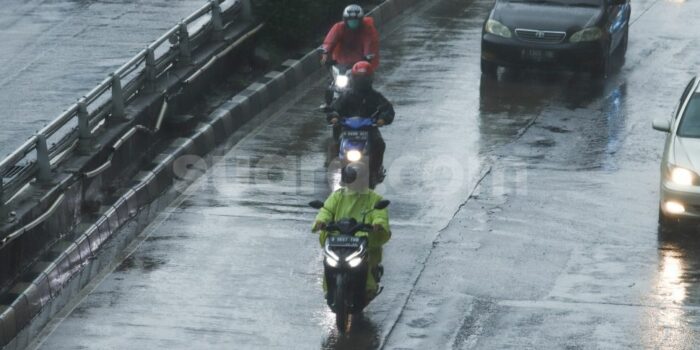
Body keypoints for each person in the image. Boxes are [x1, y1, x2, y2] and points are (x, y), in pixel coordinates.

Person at [311, 163, 391, 301]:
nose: (354, 184)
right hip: (339, 237)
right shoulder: (338, 196)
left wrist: (378, 224)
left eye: (357, 180)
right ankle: (329, 289)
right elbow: (326, 210)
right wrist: (321, 221)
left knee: (370, 260)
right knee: (328, 261)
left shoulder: (374, 198)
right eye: (351, 180)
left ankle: (369, 289)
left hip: (363, 237)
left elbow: (379, 214)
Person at [327, 61, 394, 182]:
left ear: (370, 79)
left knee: (380, 144)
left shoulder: (375, 96)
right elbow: (335, 108)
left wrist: (383, 119)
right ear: (353, 78)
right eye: (359, 78)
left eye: (364, 78)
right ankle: (335, 169)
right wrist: (334, 116)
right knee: (335, 145)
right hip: (347, 130)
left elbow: (387, 109)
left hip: (370, 130)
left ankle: (375, 171)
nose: (361, 81)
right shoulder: (346, 95)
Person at [320, 4, 380, 108]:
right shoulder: (338, 27)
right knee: (332, 84)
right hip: (340, 62)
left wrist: (367, 57)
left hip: (359, 63)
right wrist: (325, 53)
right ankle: (328, 103)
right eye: (351, 20)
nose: (353, 23)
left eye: (356, 21)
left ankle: (369, 104)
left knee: (365, 83)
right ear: (345, 20)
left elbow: (368, 43)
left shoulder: (367, 29)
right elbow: (330, 41)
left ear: (361, 20)